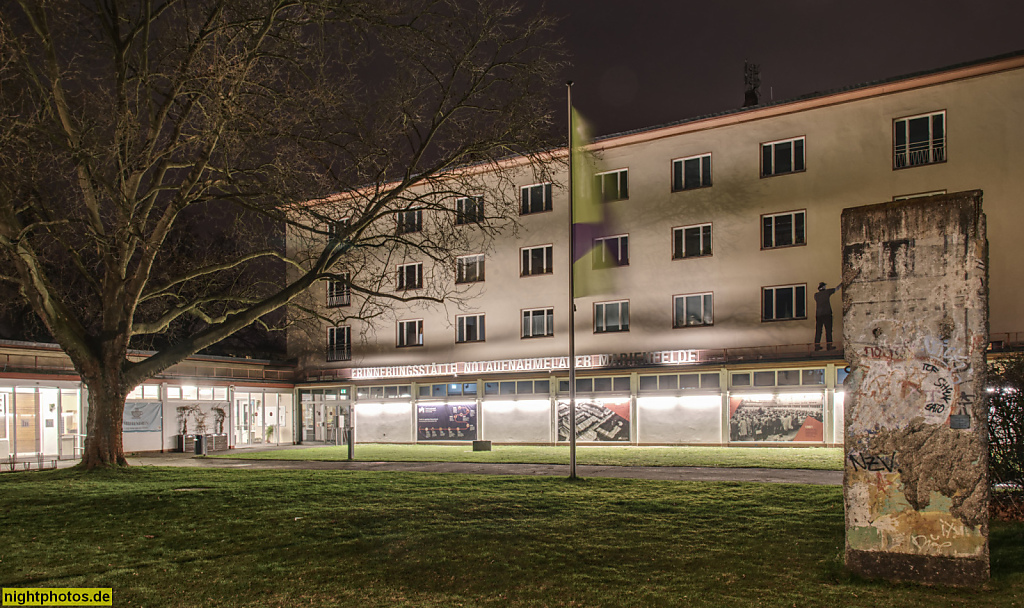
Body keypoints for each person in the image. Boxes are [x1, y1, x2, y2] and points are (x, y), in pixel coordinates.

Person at [813, 280, 842, 350]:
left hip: (818, 315)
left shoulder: (816, 295)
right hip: (827, 314)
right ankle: (829, 346)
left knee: (818, 331)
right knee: (828, 330)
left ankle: (817, 346)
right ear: (823, 287)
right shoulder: (827, 292)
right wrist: (842, 283)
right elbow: (836, 289)